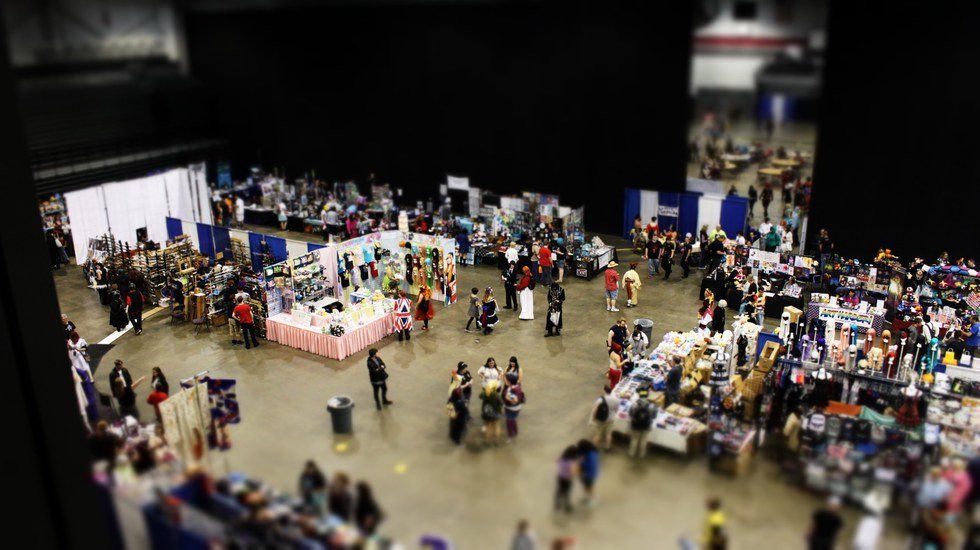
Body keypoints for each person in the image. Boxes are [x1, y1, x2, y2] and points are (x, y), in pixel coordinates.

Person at [628, 388, 656, 458]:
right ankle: (641, 454)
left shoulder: (634, 405)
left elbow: (630, 414)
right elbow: (654, 416)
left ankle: (632, 453)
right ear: (647, 396)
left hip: (635, 425)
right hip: (646, 425)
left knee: (634, 439)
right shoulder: (651, 406)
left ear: (639, 395)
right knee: (643, 440)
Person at [591, 385, 619, 451]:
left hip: (601, 419)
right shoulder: (616, 399)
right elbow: (616, 410)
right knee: (608, 434)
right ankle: (607, 447)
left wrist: (593, 418)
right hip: (610, 419)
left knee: (598, 434)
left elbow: (595, 410)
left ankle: (594, 447)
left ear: (604, 391)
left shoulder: (600, 400)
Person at [554, 446, 578, 513]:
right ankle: (567, 506)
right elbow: (573, 472)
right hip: (567, 479)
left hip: (560, 477)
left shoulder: (561, 458)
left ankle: (557, 504)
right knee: (567, 493)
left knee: (559, 491)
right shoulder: (571, 462)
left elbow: (557, 462)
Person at [577, 439, 600, 507]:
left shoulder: (591, 454)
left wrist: (581, 463)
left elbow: (592, 465)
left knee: (589, 486)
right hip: (585, 473)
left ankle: (592, 500)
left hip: (590, 473)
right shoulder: (587, 452)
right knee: (586, 486)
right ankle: (587, 498)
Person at [503, 373, 525, 440]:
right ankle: (515, 432)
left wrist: (507, 398)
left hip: (512, 409)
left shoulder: (514, 389)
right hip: (513, 408)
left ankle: (510, 435)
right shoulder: (516, 387)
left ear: (510, 382)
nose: (505, 380)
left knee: (509, 422)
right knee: (513, 420)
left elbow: (515, 400)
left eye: (506, 380)